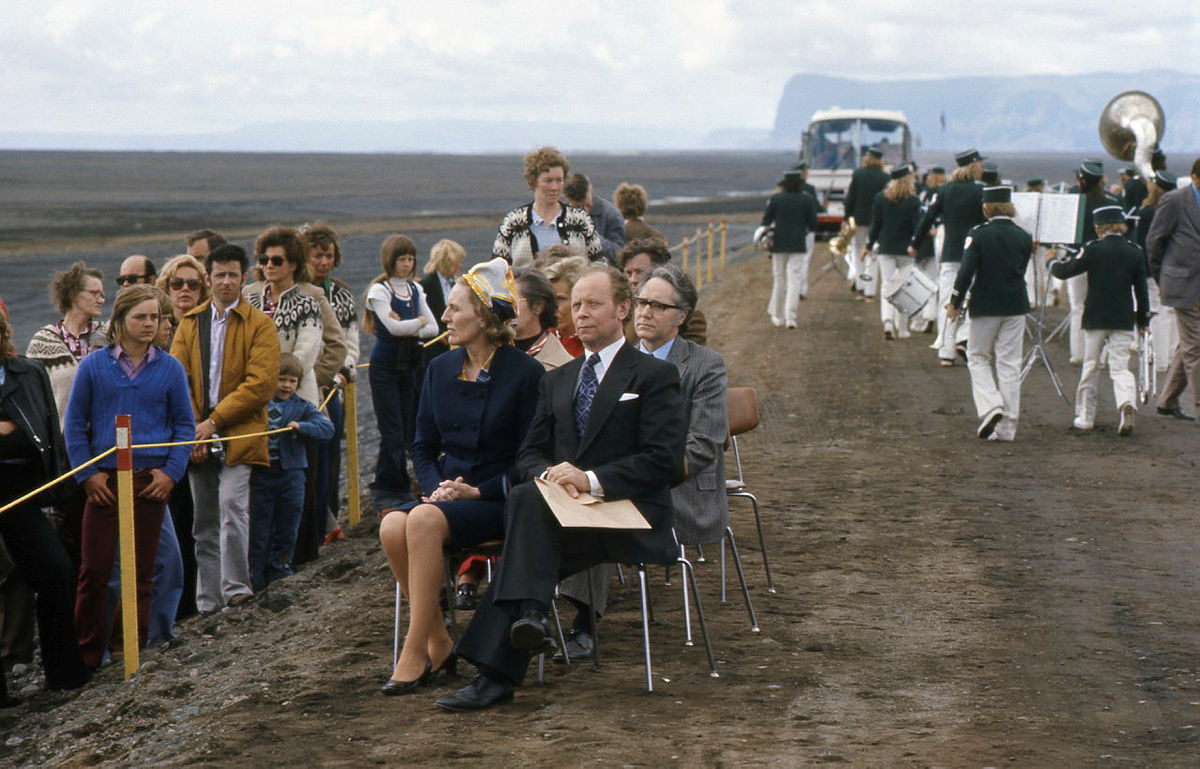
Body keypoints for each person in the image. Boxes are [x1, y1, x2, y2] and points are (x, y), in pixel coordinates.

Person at [434, 264, 685, 712]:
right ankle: (519, 634)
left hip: (630, 515)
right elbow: (529, 455)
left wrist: (589, 480)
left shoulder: (653, 376)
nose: (581, 313)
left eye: (594, 304)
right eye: (577, 304)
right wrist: (553, 476)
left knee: (524, 540)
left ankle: (506, 656)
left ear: (623, 309)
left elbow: (663, 460)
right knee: (529, 504)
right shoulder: (556, 379)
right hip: (565, 516)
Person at [379, 258, 543, 695]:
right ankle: (439, 641)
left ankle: (415, 650)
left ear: (485, 317)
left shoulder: (525, 373)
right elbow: (422, 446)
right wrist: (439, 488)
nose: (445, 316)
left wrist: (477, 491)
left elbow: (531, 459)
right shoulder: (439, 369)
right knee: (392, 525)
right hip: (446, 496)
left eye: (454, 308)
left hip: (498, 500)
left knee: (421, 519)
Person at [557, 264, 727, 662]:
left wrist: (640, 477)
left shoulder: (705, 365)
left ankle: (583, 623)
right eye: (642, 302)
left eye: (658, 306)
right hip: (617, 483)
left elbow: (703, 445)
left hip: (678, 490)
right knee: (586, 502)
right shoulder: (614, 362)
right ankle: (559, 613)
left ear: (681, 317)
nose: (646, 312)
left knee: (599, 504)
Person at [64, 285, 194, 668]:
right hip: (104, 481)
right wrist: (87, 475)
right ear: (119, 320)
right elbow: (75, 425)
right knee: (95, 569)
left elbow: (185, 426)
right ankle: (90, 654)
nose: (150, 324)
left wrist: (170, 473)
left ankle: (130, 648)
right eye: (141, 317)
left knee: (142, 569)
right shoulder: (93, 366)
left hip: (150, 480)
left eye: (155, 317)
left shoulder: (171, 368)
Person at [171, 244, 280, 612]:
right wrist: (194, 430)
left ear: (245, 277)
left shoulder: (260, 325)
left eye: (233, 274)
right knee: (204, 521)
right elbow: (179, 380)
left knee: (233, 507)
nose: (226, 281)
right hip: (197, 435)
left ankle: (236, 589)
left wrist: (214, 422)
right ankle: (208, 601)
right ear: (208, 278)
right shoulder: (190, 324)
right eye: (220, 274)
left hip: (241, 433)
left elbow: (260, 384)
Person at [0, 311, 91, 701]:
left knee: (56, 571)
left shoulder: (28, 372)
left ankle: (65, 674)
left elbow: (46, 430)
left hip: (22, 490)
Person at [1050, 205, 1150, 434]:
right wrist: (1144, 319)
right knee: (1120, 367)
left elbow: (1065, 272)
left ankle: (1085, 416)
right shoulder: (1134, 251)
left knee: (1091, 366)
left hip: (1096, 316)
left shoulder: (1092, 249)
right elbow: (1141, 291)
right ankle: (1126, 403)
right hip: (1123, 316)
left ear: (1100, 227)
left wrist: (1052, 262)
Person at [946, 187, 1032, 441]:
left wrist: (954, 301)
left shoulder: (978, 234)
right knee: (1010, 364)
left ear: (986, 207)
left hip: (986, 304)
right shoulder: (1024, 236)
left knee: (978, 357)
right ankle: (1007, 428)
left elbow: (965, 272)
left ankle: (992, 404)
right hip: (1016, 305)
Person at [363, 235, 440, 513]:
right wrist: (418, 322)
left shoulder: (415, 289)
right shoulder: (379, 291)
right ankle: (389, 490)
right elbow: (394, 329)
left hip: (409, 364)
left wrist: (409, 324)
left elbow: (434, 328)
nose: (407, 264)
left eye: (410, 259)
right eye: (401, 259)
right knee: (391, 431)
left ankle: (397, 486)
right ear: (390, 260)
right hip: (384, 367)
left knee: (409, 428)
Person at [249, 353, 333, 591]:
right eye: (281, 379)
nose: (286, 385)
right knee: (260, 528)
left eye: (292, 381)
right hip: (262, 474)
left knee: (288, 525)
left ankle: (280, 569)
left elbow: (327, 428)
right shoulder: (259, 404)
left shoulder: (302, 407)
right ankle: (255, 575)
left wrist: (301, 427)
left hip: (292, 474)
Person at [301, 222, 358, 546]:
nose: (323, 262)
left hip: (330, 387)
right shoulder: (295, 291)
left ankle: (328, 523)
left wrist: (339, 373)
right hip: (296, 384)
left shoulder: (341, 294)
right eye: (317, 255)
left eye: (329, 256)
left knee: (328, 462)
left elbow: (349, 343)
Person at [911, 149, 987, 366]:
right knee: (971, 298)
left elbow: (927, 218)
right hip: (974, 254)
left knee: (947, 299)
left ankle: (946, 351)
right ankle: (963, 338)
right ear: (973, 166)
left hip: (950, 253)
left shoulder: (943, 191)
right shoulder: (981, 192)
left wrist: (915, 244)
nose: (982, 168)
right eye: (980, 165)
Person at [1147, 157, 1200, 421]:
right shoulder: (1175, 201)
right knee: (1196, 346)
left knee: (1188, 345)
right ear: (1195, 178)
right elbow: (1154, 241)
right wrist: (1163, 279)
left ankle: (1167, 401)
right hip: (1182, 283)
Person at [491, 146, 604, 267]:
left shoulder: (580, 219)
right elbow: (497, 269)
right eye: (548, 181)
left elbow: (599, 264)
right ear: (533, 181)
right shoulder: (513, 221)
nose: (554, 187)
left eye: (559, 180)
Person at [26, 261, 108, 426]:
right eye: (94, 293)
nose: (101, 300)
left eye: (102, 295)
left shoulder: (109, 337)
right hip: (61, 436)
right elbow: (30, 397)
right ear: (73, 294)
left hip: (104, 434)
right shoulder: (43, 343)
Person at [865, 166, 922, 340]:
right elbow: (917, 227)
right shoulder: (913, 201)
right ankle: (902, 327)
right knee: (903, 288)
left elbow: (876, 225)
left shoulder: (880, 198)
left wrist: (869, 246)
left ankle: (888, 322)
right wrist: (915, 245)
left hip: (886, 248)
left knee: (887, 285)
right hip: (906, 249)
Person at [617, 239, 707, 344]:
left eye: (640, 272)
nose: (633, 280)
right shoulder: (622, 311)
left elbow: (692, 353)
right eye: (628, 273)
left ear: (661, 272)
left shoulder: (688, 316)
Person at [1136, 170, 1181, 378]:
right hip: (1177, 268)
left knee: (1158, 313)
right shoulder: (1181, 209)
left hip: (1153, 269)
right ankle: (1173, 357)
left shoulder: (1147, 212)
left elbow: (1144, 243)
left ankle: (1161, 360)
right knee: (1173, 313)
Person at [762, 167, 820, 329]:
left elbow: (766, 221)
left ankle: (777, 315)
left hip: (778, 244)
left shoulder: (775, 199)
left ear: (784, 184)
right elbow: (814, 224)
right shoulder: (807, 199)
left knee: (779, 279)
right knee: (794, 280)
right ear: (800, 183)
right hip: (798, 244)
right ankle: (791, 318)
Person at [843, 148, 890, 296]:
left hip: (859, 219)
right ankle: (870, 289)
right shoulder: (885, 177)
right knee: (873, 253)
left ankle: (860, 284)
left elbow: (851, 198)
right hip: (877, 220)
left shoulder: (858, 175)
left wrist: (846, 217)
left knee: (858, 251)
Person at [513, 268, 574, 370]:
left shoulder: (564, 366)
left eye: (514, 301)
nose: (506, 308)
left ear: (537, 306)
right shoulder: (490, 353)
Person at [419, 239, 465, 365]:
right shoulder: (425, 285)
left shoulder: (458, 284)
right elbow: (424, 316)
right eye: (457, 262)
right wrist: (439, 335)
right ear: (447, 262)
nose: (460, 266)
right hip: (434, 349)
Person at [564, 173, 626, 264]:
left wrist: (592, 237)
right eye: (578, 208)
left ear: (591, 189)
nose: (584, 212)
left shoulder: (611, 214)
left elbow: (619, 254)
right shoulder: (560, 212)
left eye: (587, 205)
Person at [541, 256, 591, 358]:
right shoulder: (542, 338)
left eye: (560, 299)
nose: (552, 307)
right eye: (548, 299)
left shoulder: (595, 341)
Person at [156, 254, 209, 347]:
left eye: (193, 283)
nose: (185, 288)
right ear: (167, 288)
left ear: (202, 290)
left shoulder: (212, 325)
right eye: (177, 283)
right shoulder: (157, 328)